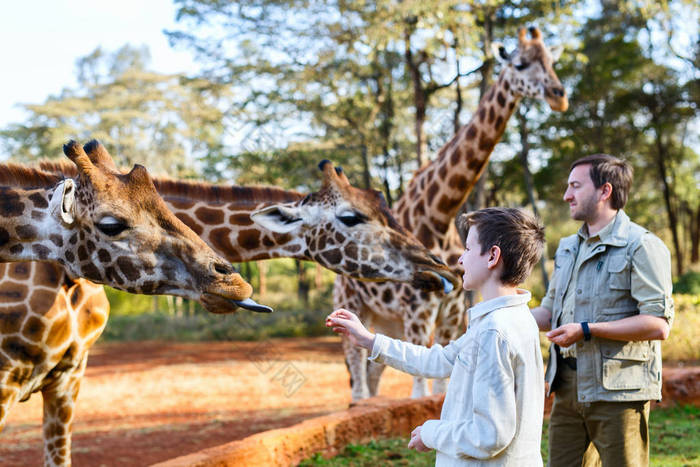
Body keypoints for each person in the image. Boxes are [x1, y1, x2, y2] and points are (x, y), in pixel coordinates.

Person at [327, 207, 547, 466]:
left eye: (467, 249)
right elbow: (441, 360)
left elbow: (490, 435)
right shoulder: (513, 318)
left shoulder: (494, 331)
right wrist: (370, 340)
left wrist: (432, 433)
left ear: (492, 256)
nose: (460, 260)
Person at [530, 154, 674, 467]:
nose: (567, 195)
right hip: (566, 389)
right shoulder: (568, 247)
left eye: (575, 186)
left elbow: (658, 324)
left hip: (618, 394)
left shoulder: (642, 246)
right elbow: (549, 312)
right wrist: (502, 314)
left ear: (604, 191)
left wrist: (587, 330)